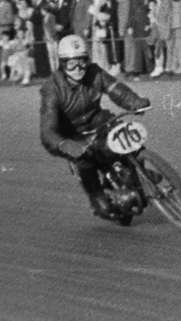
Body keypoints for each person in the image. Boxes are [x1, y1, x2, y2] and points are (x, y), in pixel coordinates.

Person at [38, 34, 152, 221]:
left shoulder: (95, 73)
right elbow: (47, 131)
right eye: (71, 64)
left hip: (99, 122)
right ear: (62, 64)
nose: (78, 69)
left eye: (82, 62)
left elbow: (117, 90)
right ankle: (96, 196)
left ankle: (140, 175)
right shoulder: (52, 89)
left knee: (128, 136)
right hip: (72, 135)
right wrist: (65, 145)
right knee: (85, 159)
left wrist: (135, 102)